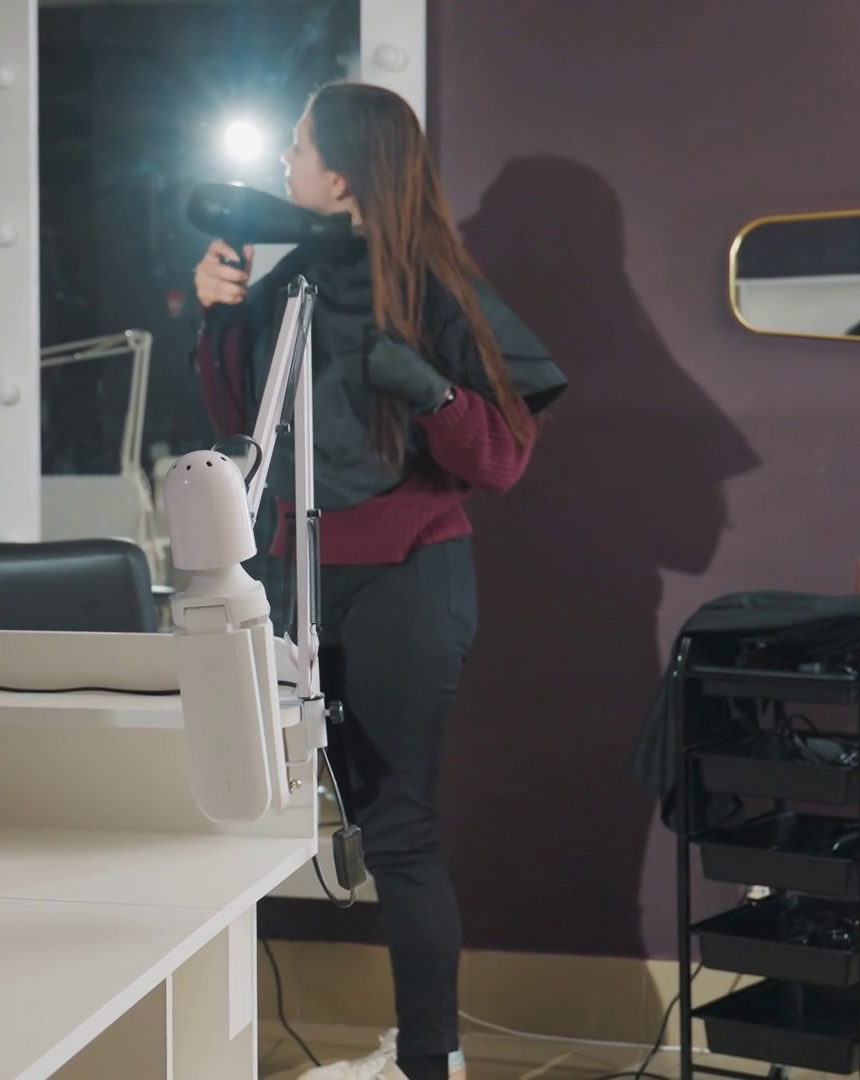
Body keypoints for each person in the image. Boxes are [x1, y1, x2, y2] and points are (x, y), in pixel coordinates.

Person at [190, 83, 565, 1080]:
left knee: (398, 831)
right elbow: (241, 425)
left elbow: (502, 458)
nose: (286, 161)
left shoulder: (438, 287)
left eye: (300, 145)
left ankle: (429, 1066)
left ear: (345, 174)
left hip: (409, 578)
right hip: (296, 579)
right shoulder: (288, 283)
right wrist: (216, 317)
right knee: (254, 804)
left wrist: (427, 388)